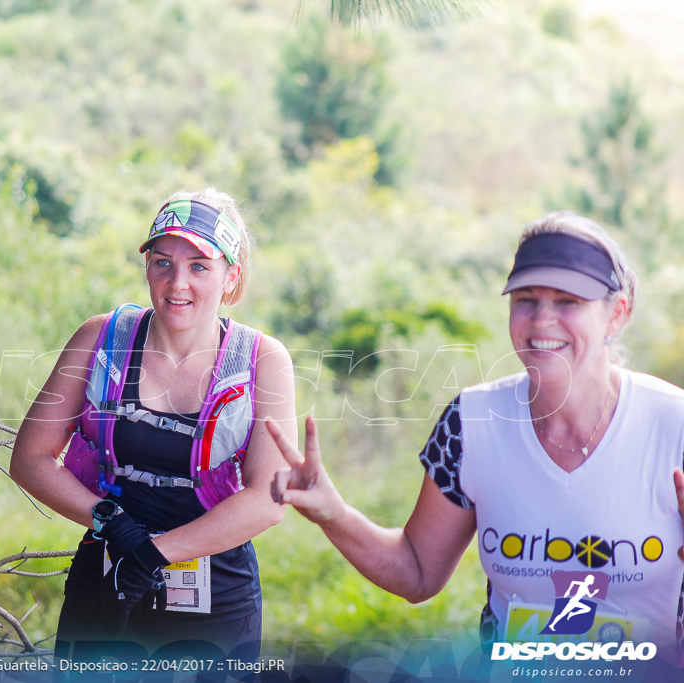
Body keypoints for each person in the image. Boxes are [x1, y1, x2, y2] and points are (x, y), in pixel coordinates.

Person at [267, 211, 684, 665]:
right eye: (525, 299)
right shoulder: (472, 422)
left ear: (616, 314)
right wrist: (334, 514)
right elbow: (418, 572)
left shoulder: (672, 424)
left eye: (567, 302)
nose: (542, 320)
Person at [11, 188, 297, 666]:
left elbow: (268, 499)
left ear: (232, 278)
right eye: (162, 262)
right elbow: (30, 459)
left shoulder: (262, 361)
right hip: (105, 581)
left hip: (216, 604)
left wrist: (151, 553)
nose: (176, 283)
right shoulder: (101, 339)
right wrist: (112, 524)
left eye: (199, 266)